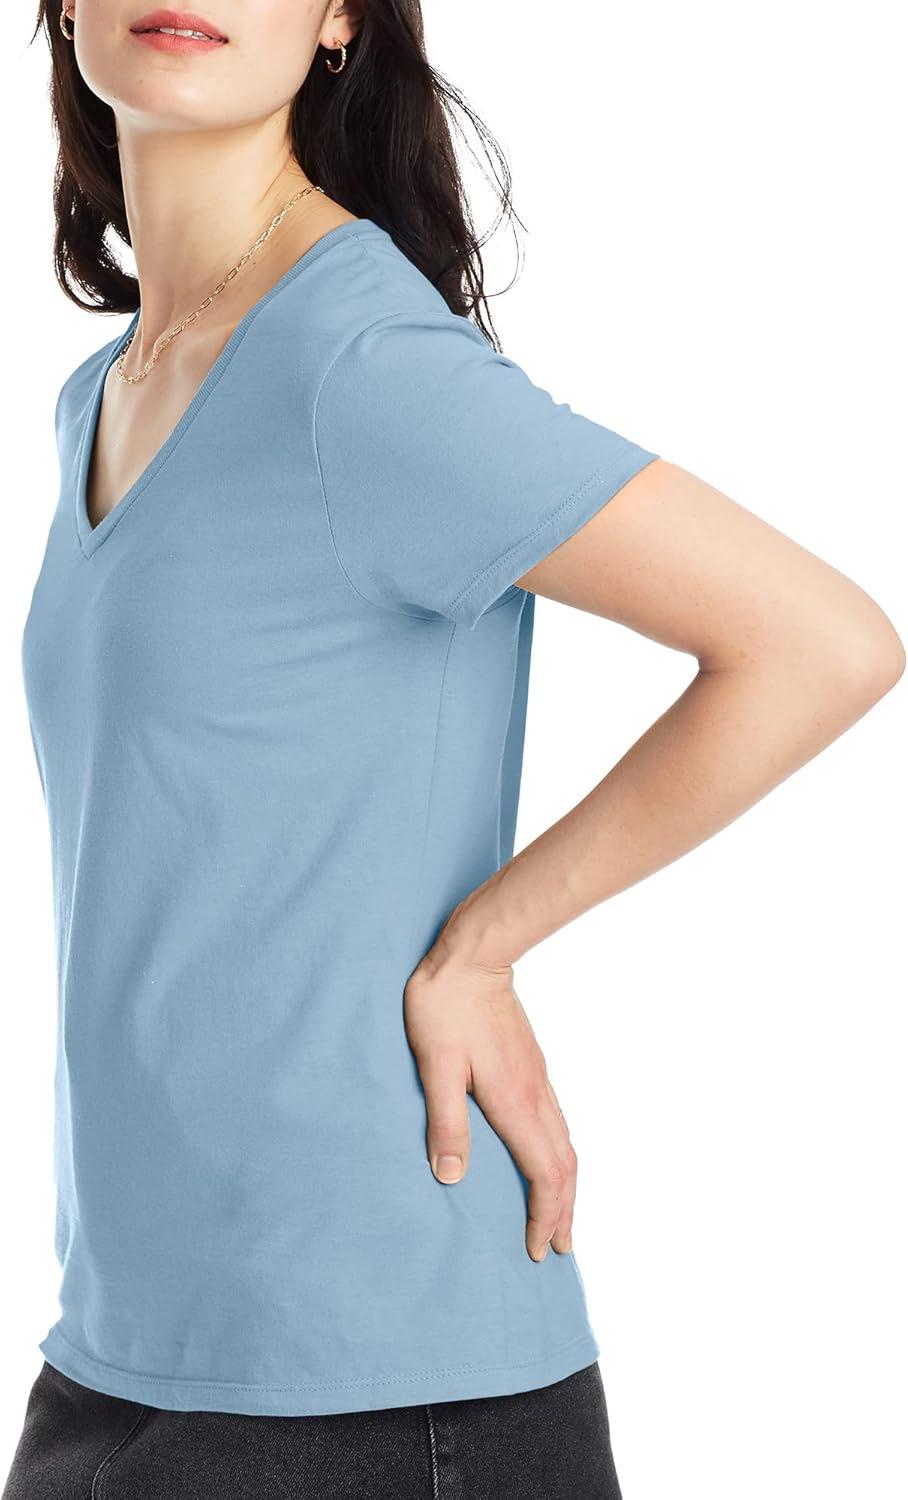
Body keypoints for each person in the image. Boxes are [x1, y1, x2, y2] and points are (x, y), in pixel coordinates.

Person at [4, 1, 904, 1497]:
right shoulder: (102, 395)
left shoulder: (359, 364)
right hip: (122, 1359)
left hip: (378, 1393)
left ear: (337, 18)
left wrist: (484, 947)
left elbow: (820, 643)